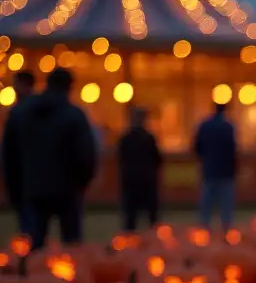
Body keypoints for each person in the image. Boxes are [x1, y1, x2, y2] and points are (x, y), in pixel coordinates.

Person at [6, 68, 96, 249]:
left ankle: (31, 274)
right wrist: (81, 184)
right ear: (69, 87)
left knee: (33, 247)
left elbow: (9, 156)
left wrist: (16, 191)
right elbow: (86, 155)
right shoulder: (74, 116)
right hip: (67, 190)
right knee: (72, 247)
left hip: (32, 189)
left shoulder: (21, 114)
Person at [0, 69, 37, 233]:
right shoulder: (35, 111)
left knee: (29, 224)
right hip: (30, 176)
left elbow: (10, 150)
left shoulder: (19, 113)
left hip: (24, 176)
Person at [193, 102, 237, 229]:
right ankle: (226, 229)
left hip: (209, 168)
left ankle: (204, 229)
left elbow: (197, 147)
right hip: (226, 170)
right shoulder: (228, 127)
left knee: (207, 202)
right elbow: (233, 149)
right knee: (226, 204)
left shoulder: (205, 125)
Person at [117, 107, 162, 231]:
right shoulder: (149, 138)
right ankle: (154, 239)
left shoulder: (125, 138)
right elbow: (157, 159)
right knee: (152, 215)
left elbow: (121, 158)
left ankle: (129, 241)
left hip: (130, 179)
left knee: (130, 216)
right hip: (147, 180)